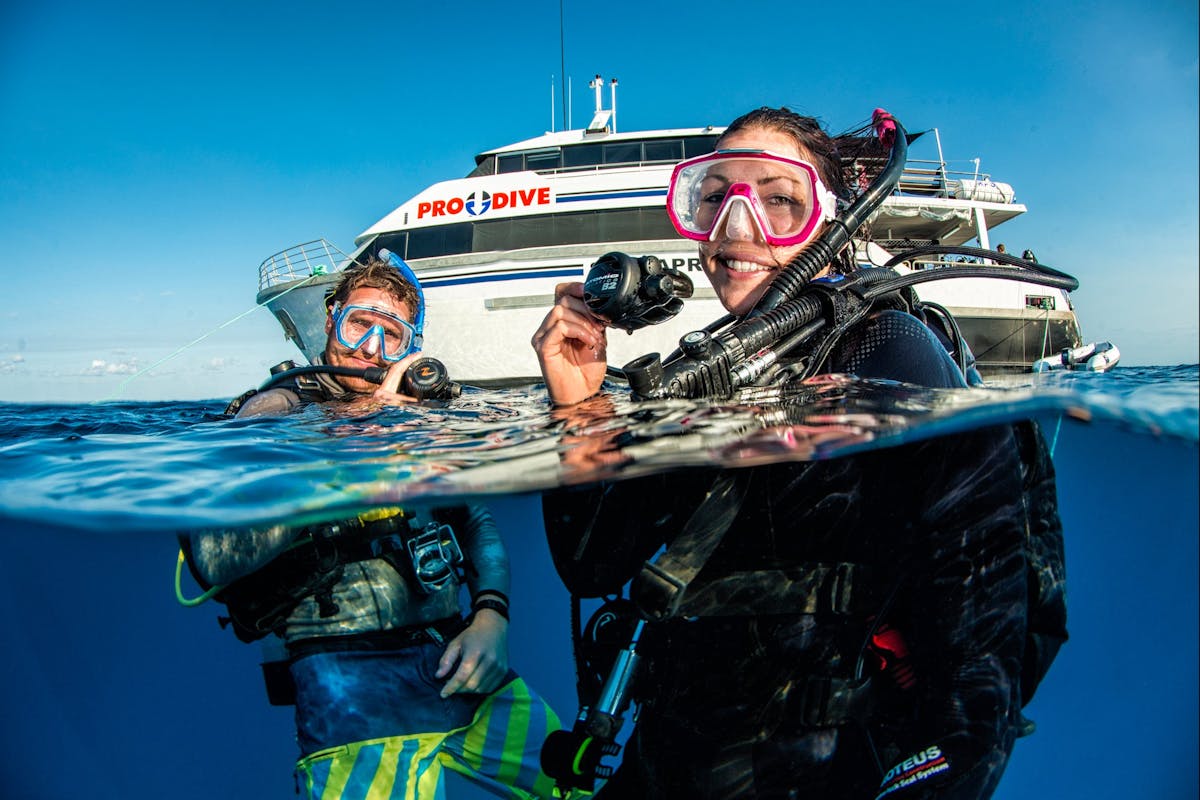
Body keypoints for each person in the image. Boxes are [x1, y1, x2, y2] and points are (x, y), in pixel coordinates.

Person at [531, 108, 1065, 798]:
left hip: (816, 772)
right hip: (669, 758)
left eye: (779, 198)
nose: (738, 222)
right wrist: (579, 409)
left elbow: (976, 666)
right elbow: (591, 565)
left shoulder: (889, 348)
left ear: (830, 224)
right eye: (715, 194)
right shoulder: (707, 378)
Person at [182, 256, 564, 800]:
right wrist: (349, 453)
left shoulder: (414, 417)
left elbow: (474, 520)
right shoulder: (277, 410)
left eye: (393, 336)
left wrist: (491, 618)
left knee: (575, 780)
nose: (370, 350)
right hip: (350, 688)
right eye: (360, 324)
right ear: (332, 317)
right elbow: (213, 559)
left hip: (460, 658)